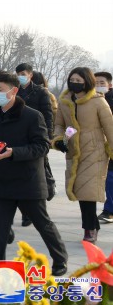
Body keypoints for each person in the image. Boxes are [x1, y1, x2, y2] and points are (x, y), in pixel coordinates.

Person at [0, 71, 67, 275]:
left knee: (42, 224)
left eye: (0, 90)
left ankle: (60, 259)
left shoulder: (31, 116)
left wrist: (14, 153)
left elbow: (42, 146)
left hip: (28, 182)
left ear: (14, 91)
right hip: (2, 181)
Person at [51, 67, 113, 243]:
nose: (75, 84)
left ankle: (89, 229)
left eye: (79, 81)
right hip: (73, 150)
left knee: (88, 192)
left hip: (95, 150)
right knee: (79, 190)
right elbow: (59, 125)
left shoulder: (98, 102)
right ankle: (92, 224)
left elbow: (110, 127)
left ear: (87, 81)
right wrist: (58, 139)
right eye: (73, 80)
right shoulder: (64, 101)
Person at [15, 62, 57, 226]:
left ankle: (40, 209)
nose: (21, 76)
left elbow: (48, 116)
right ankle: (26, 214)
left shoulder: (40, 92)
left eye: (23, 73)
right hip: (19, 138)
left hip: (37, 137)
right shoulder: (15, 91)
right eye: (18, 73)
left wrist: (48, 137)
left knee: (37, 174)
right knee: (21, 175)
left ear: (31, 74)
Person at [95, 71, 113, 224]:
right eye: (96, 83)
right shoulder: (90, 101)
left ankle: (109, 210)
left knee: (110, 178)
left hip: (111, 145)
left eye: (102, 83)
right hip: (96, 146)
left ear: (110, 85)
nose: (99, 86)